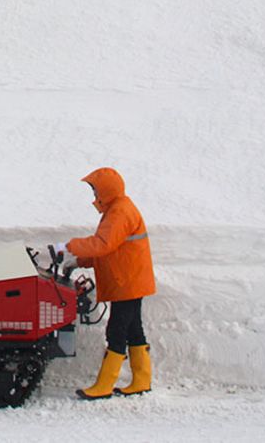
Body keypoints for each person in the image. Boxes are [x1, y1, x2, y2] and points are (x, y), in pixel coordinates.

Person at [54, 167, 155, 400]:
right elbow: (108, 248)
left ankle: (105, 385)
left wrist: (69, 246)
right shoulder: (116, 210)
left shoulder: (120, 212)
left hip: (127, 281)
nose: (93, 194)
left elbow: (102, 244)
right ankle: (142, 380)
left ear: (106, 190)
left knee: (117, 330)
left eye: (95, 189)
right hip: (130, 279)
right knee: (133, 329)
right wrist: (79, 261)